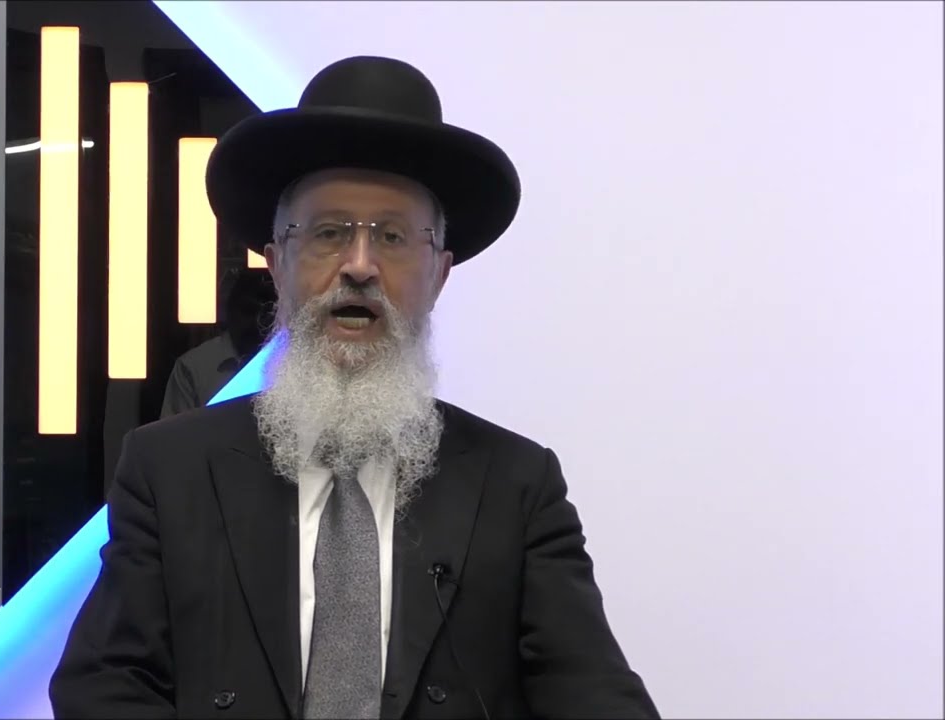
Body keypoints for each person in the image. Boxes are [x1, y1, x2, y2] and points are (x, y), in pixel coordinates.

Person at [50, 55, 659, 719]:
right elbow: (103, 686)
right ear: (277, 264)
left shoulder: (518, 484)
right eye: (329, 233)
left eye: (393, 237)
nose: (360, 266)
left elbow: (593, 693)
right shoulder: (169, 469)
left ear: (439, 275)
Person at [159, 268, 277, 418]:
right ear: (229, 312)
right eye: (248, 311)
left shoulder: (289, 363)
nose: (256, 322)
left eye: (266, 313)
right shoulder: (193, 367)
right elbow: (173, 430)